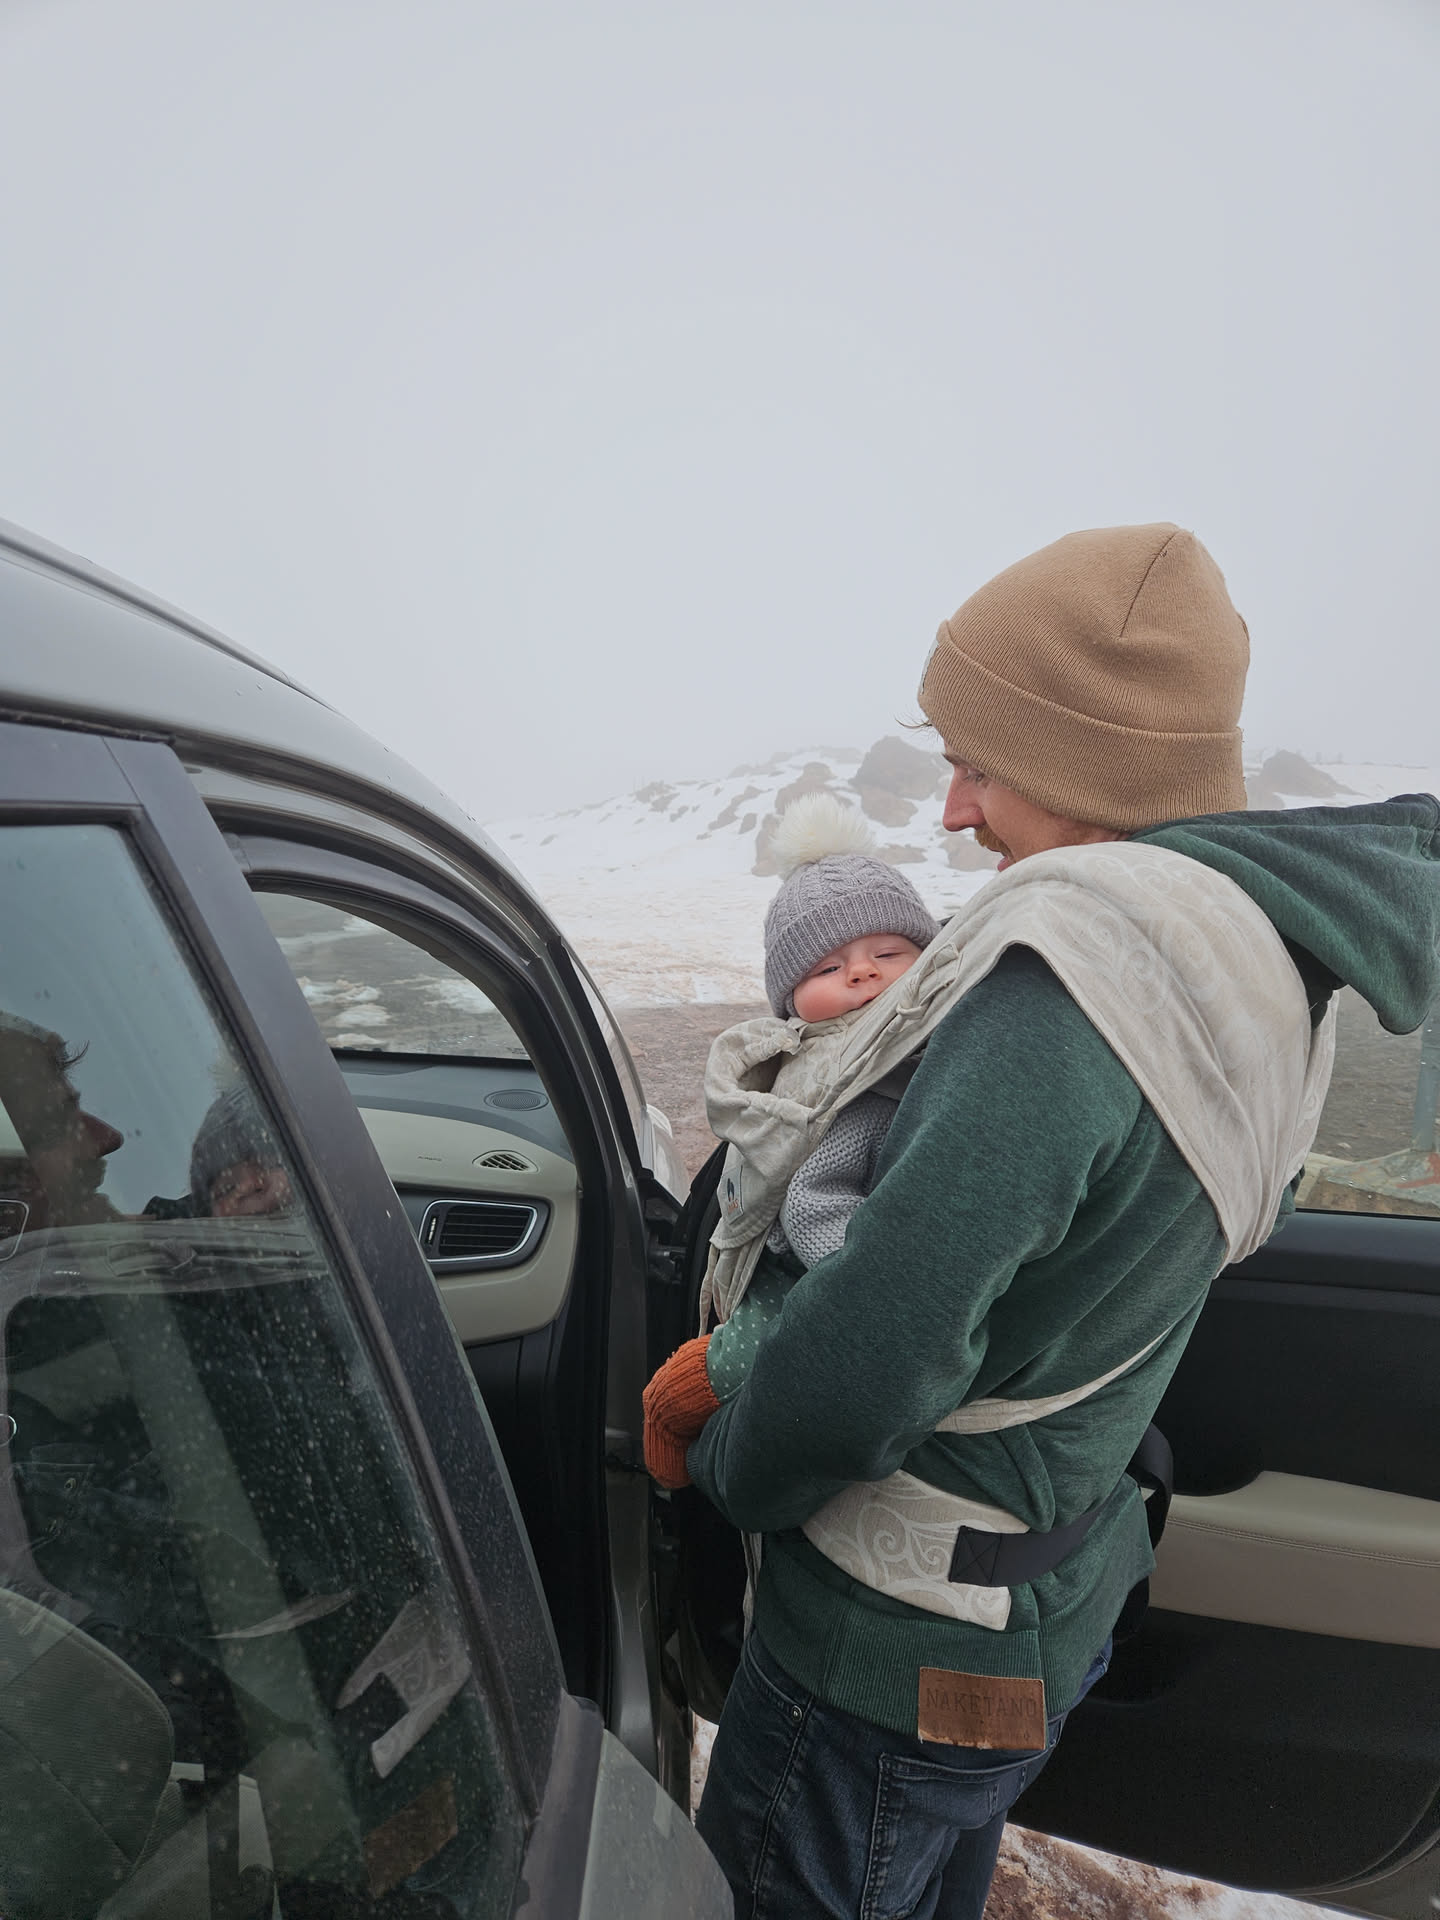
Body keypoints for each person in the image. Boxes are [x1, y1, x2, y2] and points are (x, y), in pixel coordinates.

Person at [646, 522, 1440, 1920]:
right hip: (1041, 1604)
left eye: (978, 761)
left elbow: (869, 1359)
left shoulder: (1059, 989)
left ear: (1086, 757)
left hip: (887, 1643)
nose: (954, 810)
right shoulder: (1256, 952)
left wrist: (724, 1470)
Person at [643, 790, 938, 1489]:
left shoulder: (913, 1050)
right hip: (801, 1268)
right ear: (791, 998)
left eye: (888, 952)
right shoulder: (843, 1081)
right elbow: (810, 1201)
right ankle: (669, 1435)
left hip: (834, 1271)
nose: (862, 972)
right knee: (731, 1366)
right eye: (828, 968)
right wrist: (873, 1298)